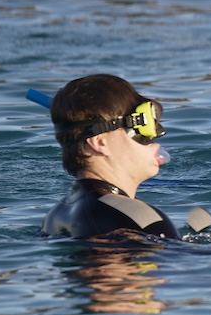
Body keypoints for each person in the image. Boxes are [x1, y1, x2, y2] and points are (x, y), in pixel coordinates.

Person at [41, 73, 187, 239]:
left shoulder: (55, 216)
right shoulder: (138, 217)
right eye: (142, 127)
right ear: (101, 142)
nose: (157, 135)